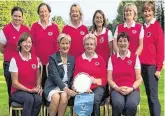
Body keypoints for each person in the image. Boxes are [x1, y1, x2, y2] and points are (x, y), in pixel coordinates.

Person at [0, 6, 30, 108]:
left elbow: (29, 46)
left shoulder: (26, 29)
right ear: (11, 16)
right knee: (11, 91)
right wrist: (12, 56)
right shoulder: (5, 30)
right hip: (9, 64)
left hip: (24, 65)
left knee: (23, 91)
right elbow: (2, 48)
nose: (17, 18)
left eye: (19, 16)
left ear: (22, 17)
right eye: (15, 16)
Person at [107, 32, 143, 116]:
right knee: (118, 104)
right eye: (120, 41)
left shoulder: (135, 57)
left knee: (131, 105)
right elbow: (109, 79)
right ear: (117, 43)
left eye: (125, 41)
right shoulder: (112, 59)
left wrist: (132, 88)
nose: (122, 43)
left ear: (128, 43)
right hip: (117, 89)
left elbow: (139, 78)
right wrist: (117, 88)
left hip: (132, 89)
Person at [9, 32, 42, 116]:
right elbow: (15, 83)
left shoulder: (36, 58)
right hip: (17, 92)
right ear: (20, 43)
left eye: (30, 42)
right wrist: (29, 90)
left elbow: (38, 77)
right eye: (25, 42)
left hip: (32, 90)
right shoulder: (14, 59)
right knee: (29, 99)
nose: (28, 44)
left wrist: (38, 87)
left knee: (38, 99)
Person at [73, 33, 107, 116]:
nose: (89, 46)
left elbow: (104, 78)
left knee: (94, 100)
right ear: (84, 46)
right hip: (83, 88)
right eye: (87, 44)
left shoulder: (100, 59)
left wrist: (95, 80)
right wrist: (84, 88)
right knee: (84, 100)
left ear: (95, 46)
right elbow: (76, 78)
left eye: (91, 44)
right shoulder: (79, 59)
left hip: (97, 87)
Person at [44, 33, 77, 116]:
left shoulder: (72, 59)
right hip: (52, 86)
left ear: (70, 44)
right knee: (56, 97)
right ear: (58, 44)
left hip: (66, 88)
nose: (65, 46)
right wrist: (67, 90)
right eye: (62, 43)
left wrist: (73, 86)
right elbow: (55, 77)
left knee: (64, 95)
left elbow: (73, 76)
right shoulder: (53, 58)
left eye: (67, 43)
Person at [140, 2, 164, 116]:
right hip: (141, 66)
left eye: (149, 10)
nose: (147, 13)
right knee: (149, 95)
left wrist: (159, 68)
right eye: (145, 11)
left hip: (151, 67)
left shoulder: (157, 27)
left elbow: (161, 49)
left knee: (153, 97)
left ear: (153, 11)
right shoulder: (142, 27)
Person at [31, 3, 60, 88]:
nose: (43, 14)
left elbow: (57, 45)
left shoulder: (54, 27)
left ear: (49, 12)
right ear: (38, 13)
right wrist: (35, 58)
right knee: (38, 86)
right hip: (37, 63)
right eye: (41, 12)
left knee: (50, 87)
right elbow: (31, 44)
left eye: (45, 11)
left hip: (50, 64)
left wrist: (53, 60)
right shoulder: (34, 26)